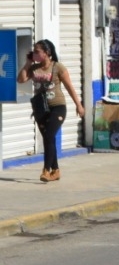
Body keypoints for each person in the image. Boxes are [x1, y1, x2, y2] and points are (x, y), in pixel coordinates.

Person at [17, 39, 85, 183]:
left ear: (47, 53)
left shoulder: (58, 67)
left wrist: (78, 105)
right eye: (33, 51)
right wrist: (29, 62)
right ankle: (56, 170)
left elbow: (69, 87)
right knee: (49, 139)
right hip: (40, 108)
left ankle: (46, 170)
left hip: (57, 107)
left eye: (37, 51)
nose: (34, 53)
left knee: (48, 136)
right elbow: (21, 79)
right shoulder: (34, 68)